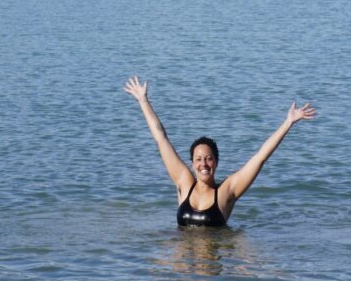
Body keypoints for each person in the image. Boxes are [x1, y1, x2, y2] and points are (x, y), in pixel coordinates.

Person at [123, 75, 316, 227]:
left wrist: (288, 123)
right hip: (184, 270)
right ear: (192, 163)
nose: (203, 164)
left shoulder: (227, 191)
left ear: (216, 162)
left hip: (212, 267)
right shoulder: (183, 181)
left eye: (208, 159)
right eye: (198, 159)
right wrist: (143, 100)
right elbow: (161, 137)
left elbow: (260, 158)